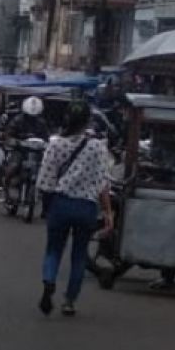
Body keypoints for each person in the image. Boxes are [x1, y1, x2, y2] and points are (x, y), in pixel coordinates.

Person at [35, 102, 113, 316]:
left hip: (61, 203)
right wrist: (108, 213)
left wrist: (47, 207)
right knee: (79, 256)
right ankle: (69, 301)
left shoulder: (56, 143)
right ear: (88, 120)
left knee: (53, 250)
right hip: (86, 207)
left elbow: (45, 180)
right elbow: (103, 184)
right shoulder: (98, 146)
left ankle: (49, 282)